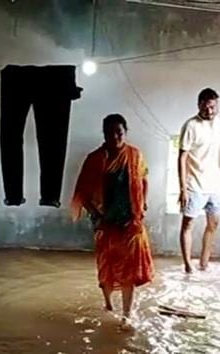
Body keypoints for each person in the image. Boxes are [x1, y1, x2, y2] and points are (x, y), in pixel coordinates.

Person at [71, 113, 154, 326]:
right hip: (105, 223)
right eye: (110, 133)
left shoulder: (135, 155)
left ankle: (127, 314)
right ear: (104, 134)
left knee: (129, 271)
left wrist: (143, 204)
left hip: (131, 222)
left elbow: (144, 179)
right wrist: (95, 213)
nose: (115, 136)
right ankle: (108, 304)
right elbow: (82, 192)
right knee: (106, 269)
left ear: (125, 132)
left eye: (119, 132)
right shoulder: (95, 159)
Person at [178, 88, 220, 273]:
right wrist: (183, 188)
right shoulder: (190, 126)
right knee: (188, 224)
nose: (209, 111)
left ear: (217, 105)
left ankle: (204, 263)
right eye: (205, 107)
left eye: (213, 107)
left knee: (213, 224)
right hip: (194, 184)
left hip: (215, 185)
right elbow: (182, 158)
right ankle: (188, 265)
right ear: (199, 105)